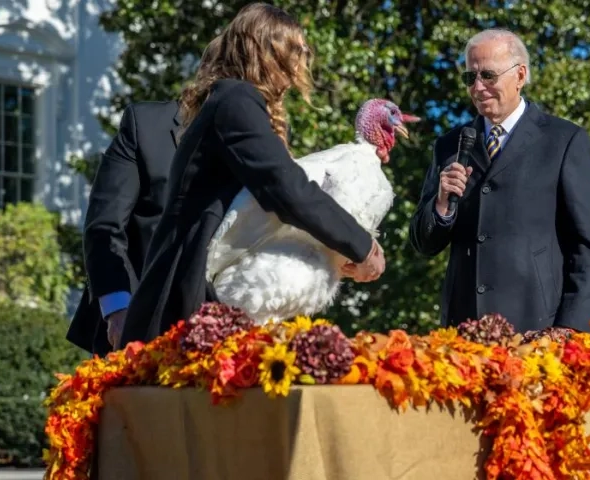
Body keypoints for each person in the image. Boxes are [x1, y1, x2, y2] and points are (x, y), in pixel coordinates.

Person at [116, 2, 385, 349]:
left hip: (188, 298)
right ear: (269, 51)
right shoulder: (236, 99)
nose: (300, 66)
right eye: (296, 51)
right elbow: (285, 187)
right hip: (185, 303)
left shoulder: (227, 100)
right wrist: (361, 245)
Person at [409, 28, 590, 333]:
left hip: (539, 330)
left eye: (488, 75)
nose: (477, 87)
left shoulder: (564, 141)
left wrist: (571, 329)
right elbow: (423, 243)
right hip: (464, 330)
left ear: (520, 75)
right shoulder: (450, 145)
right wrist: (442, 205)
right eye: (469, 78)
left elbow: (588, 249)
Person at [67, 40, 224, 355]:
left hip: (225, 333)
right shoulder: (146, 126)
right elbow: (104, 226)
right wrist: (118, 310)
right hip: (139, 330)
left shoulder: (263, 140)